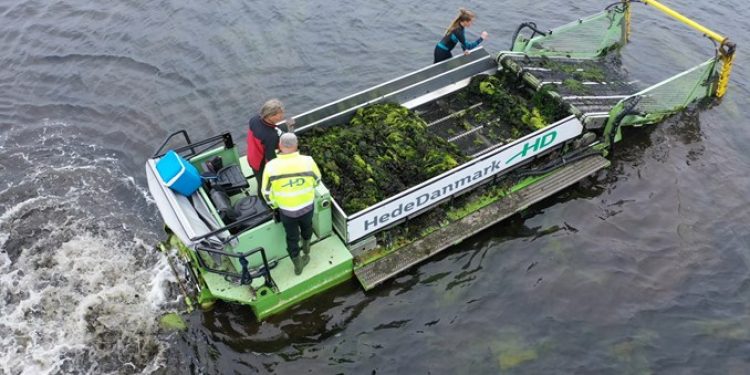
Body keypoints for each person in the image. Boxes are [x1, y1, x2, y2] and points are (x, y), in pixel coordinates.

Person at [261, 132, 322, 275]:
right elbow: (317, 180)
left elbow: (266, 193)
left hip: (286, 211)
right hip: (307, 207)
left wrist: (275, 205)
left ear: (280, 145)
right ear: (296, 146)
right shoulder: (308, 161)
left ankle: (298, 265)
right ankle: (307, 250)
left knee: (291, 237)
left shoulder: (271, 166)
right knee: (307, 228)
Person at [247, 99, 287, 195]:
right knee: (263, 185)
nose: (282, 115)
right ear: (270, 116)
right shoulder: (270, 136)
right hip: (259, 164)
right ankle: (263, 201)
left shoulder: (254, 119)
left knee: (259, 181)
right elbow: (271, 158)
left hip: (251, 156)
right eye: (280, 113)